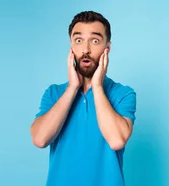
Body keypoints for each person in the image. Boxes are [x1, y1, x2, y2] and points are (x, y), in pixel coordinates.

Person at [30, 11, 137, 186]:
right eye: (78, 40)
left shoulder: (123, 94)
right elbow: (40, 139)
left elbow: (117, 140)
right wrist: (73, 87)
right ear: (71, 47)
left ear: (106, 49)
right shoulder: (53, 93)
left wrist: (97, 86)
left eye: (95, 41)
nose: (86, 49)